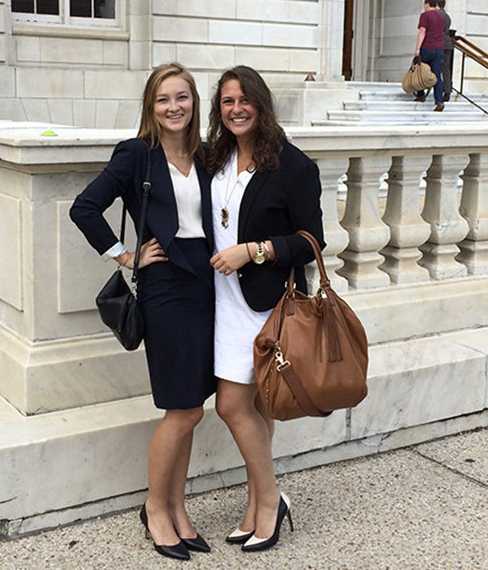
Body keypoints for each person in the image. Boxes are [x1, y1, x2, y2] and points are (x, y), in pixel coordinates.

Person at [70, 63, 216, 561]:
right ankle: (156, 507)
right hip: (167, 287)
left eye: (182, 97)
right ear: (150, 108)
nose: (174, 107)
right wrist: (124, 254)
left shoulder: (206, 154)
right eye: (163, 100)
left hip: (210, 284)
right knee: (185, 408)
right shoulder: (137, 153)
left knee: (193, 406)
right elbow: (84, 207)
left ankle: (178, 508)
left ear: (194, 102)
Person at [207, 66, 325, 552]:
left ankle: (270, 499)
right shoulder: (215, 158)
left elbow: (313, 240)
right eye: (227, 101)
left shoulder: (292, 166)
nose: (236, 109)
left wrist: (253, 251)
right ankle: (259, 504)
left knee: (231, 404)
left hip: (264, 307)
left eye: (244, 100)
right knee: (253, 405)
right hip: (219, 301)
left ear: (261, 104)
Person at [413, 0, 447, 111]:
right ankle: (439, 100)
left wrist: (418, 48)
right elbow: (442, 32)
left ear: (427, 4)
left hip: (427, 47)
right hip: (439, 49)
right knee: (437, 75)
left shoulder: (425, 15)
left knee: (418, 69)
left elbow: (422, 32)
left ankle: (421, 94)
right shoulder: (441, 17)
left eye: (424, 4)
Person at [436, 0, 453, 102]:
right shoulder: (447, 16)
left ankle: (437, 90)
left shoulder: (437, 15)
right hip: (448, 43)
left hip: (439, 44)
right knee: (446, 69)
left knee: (436, 67)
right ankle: (447, 91)